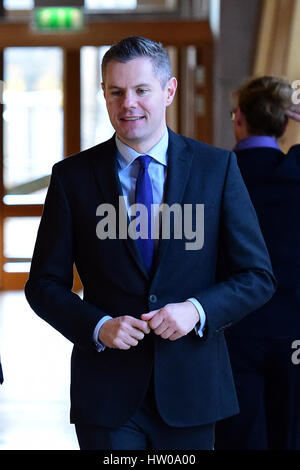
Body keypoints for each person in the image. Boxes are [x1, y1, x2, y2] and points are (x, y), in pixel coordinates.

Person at [25, 37, 276, 451]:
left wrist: (196, 310)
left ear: (169, 91)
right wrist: (98, 326)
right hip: (105, 394)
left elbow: (257, 276)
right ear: (103, 94)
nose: (129, 104)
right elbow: (43, 284)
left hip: (192, 390)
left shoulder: (217, 169)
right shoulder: (72, 178)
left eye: (142, 90)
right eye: (116, 92)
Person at [215, 76, 300, 450]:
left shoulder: (214, 173)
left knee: (239, 437)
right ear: (285, 124)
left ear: (238, 120)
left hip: (234, 327)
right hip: (294, 327)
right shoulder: (297, 172)